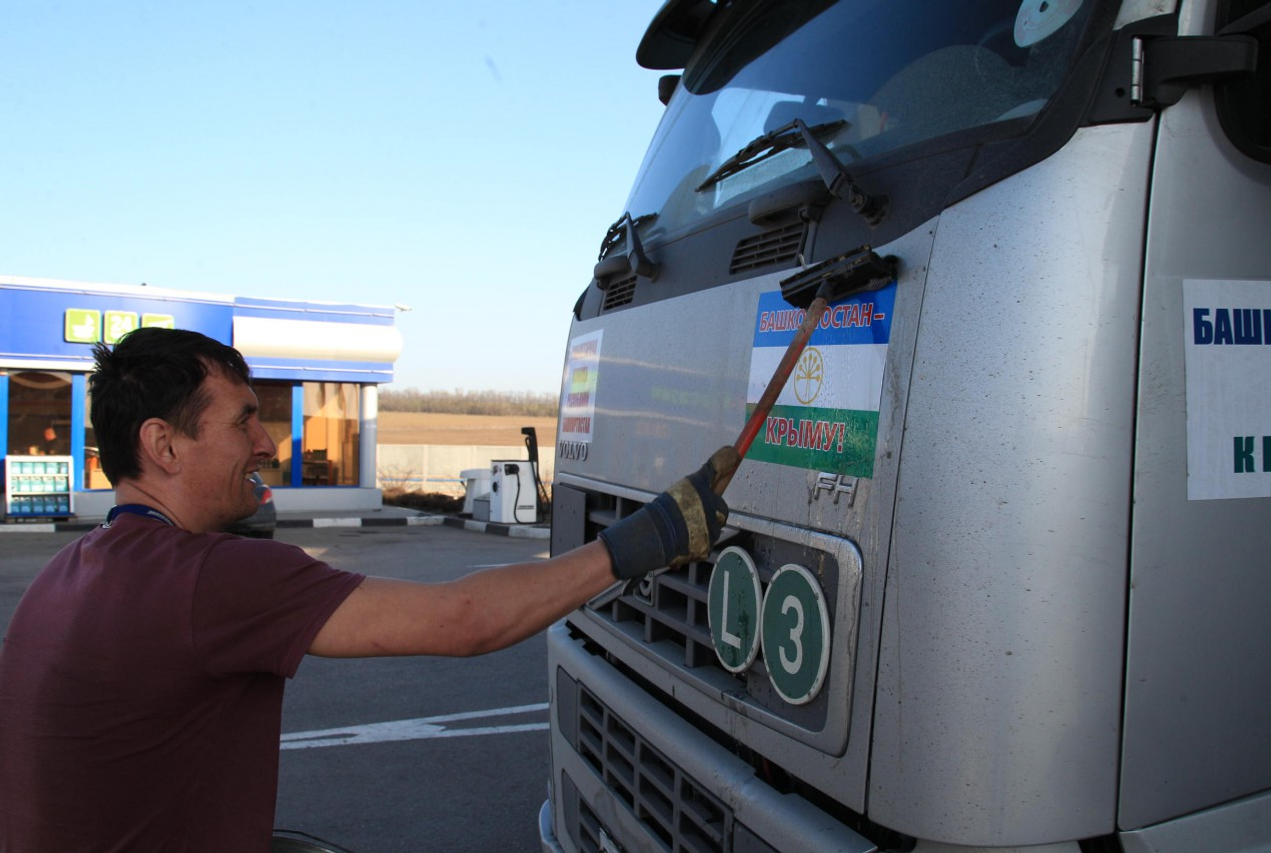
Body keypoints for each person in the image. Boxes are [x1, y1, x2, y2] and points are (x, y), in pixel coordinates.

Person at [0, 327, 735, 852]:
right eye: (244, 420)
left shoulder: (67, 574)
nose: (268, 444)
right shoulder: (207, 576)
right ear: (163, 445)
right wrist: (645, 539)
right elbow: (461, 620)